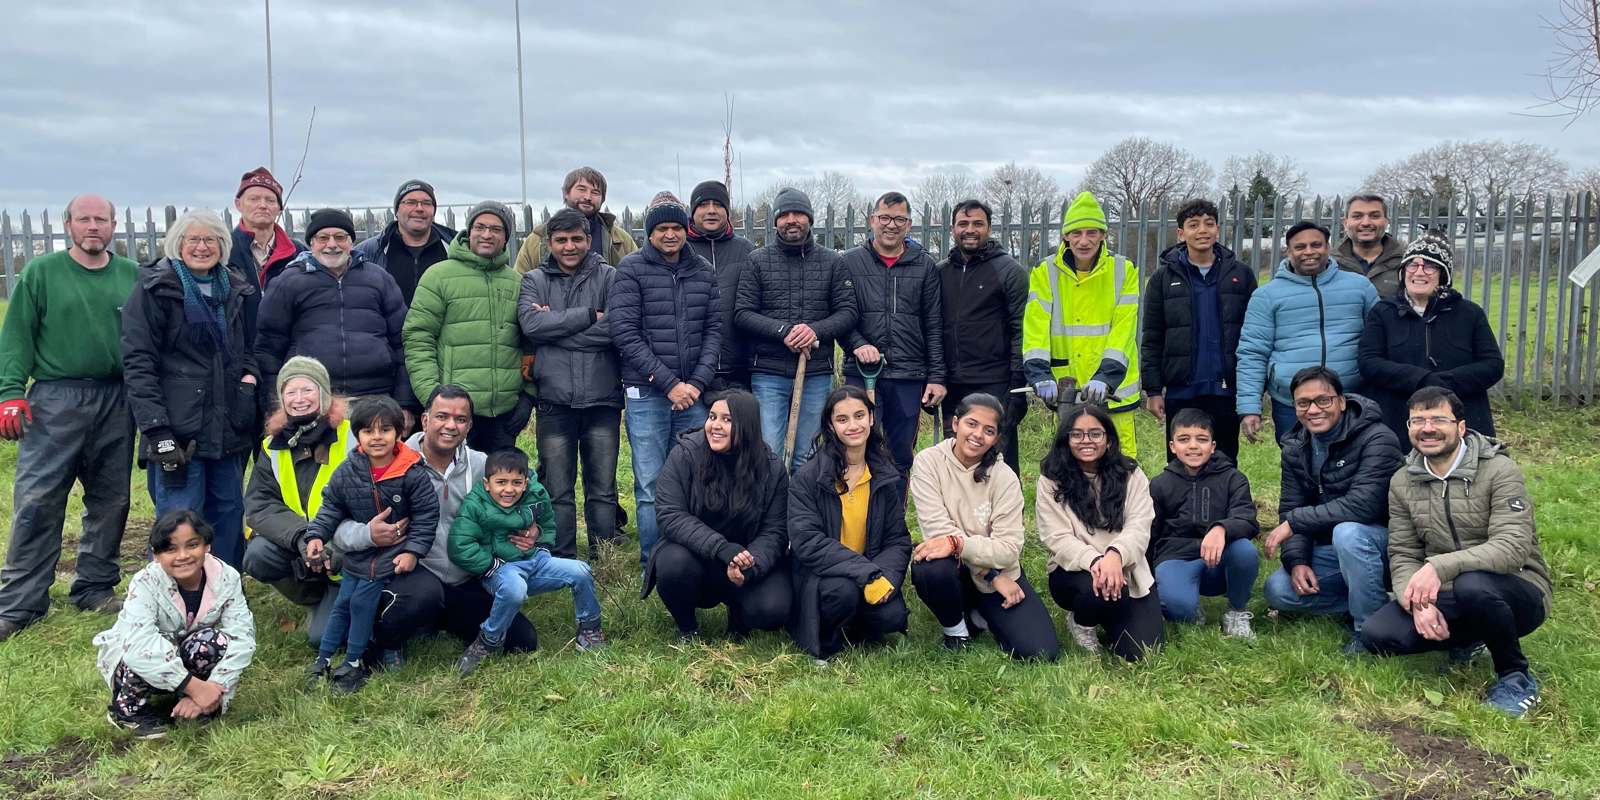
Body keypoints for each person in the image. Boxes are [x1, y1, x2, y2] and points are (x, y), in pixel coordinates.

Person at [1362, 387, 1552, 718]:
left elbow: (1513, 547)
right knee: (1378, 635)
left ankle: (1516, 678)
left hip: (1517, 587)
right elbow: (1403, 552)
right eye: (1418, 421)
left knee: (1473, 585)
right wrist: (1416, 604)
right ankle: (1470, 640)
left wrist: (1439, 567)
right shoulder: (1402, 480)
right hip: (1448, 591)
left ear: (1461, 427)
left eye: (1438, 419)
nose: (1427, 429)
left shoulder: (1499, 470)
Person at [0, 194, 139, 641]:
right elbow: (17, 335)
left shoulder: (132, 276)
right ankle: (21, 602)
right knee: (38, 499)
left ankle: (94, 586)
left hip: (116, 397)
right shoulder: (42, 273)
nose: (93, 226)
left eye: (101, 219)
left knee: (111, 499)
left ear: (113, 226)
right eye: (84, 219)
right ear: (69, 225)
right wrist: (10, 393)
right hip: (55, 397)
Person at [122, 209, 260, 569]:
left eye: (210, 239)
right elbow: (139, 363)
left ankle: (225, 590)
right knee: (179, 520)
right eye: (193, 239)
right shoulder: (156, 289)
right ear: (178, 244)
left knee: (228, 513)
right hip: (178, 430)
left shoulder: (234, 289)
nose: (202, 247)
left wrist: (248, 381)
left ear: (222, 245)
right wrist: (157, 430)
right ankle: (174, 593)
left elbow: (247, 348)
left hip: (226, 427)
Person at [369, 385, 542, 659]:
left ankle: (438, 620)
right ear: (425, 419)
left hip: (465, 576)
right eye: (442, 416)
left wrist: (534, 526)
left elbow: (530, 488)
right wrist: (368, 533)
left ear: (469, 426)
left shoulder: (481, 464)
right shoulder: (392, 462)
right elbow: (342, 512)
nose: (451, 425)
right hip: (413, 571)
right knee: (421, 598)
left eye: (460, 419)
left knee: (522, 640)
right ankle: (388, 643)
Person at [609, 191, 722, 570]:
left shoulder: (703, 271)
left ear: (686, 230)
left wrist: (698, 384)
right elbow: (625, 333)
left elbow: (713, 331)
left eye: (676, 227)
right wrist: (669, 383)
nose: (670, 235)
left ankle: (693, 558)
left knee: (697, 479)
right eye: (662, 229)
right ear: (650, 233)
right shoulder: (631, 269)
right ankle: (653, 563)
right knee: (650, 484)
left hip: (693, 395)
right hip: (647, 394)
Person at [303, 396, 438, 694]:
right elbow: (331, 507)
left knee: (361, 604)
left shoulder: (412, 471)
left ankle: (354, 662)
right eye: (368, 431)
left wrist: (412, 551)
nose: (377, 437)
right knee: (342, 605)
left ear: (399, 432)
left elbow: (427, 516)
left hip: (390, 556)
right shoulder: (348, 470)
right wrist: (316, 535)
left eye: (385, 430)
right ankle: (323, 660)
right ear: (358, 435)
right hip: (358, 555)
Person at [1261, 367, 1402, 653]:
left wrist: (1295, 523)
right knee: (1279, 590)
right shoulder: (1295, 445)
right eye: (1303, 403)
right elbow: (1292, 506)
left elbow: (1363, 505)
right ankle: (1377, 603)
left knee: (1348, 533)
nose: (1313, 410)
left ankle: (1370, 631)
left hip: (1388, 548)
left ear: (1342, 401)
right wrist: (1297, 560)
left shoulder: (1377, 438)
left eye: (1323, 400)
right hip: (1334, 549)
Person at [909, 393, 1059, 660]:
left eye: (989, 431)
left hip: (999, 570)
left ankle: (978, 616)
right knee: (930, 568)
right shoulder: (928, 462)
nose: (978, 435)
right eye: (971, 424)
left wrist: (965, 549)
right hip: (958, 569)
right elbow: (937, 532)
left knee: (1040, 652)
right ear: (955, 423)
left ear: (996, 438)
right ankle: (956, 631)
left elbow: (1009, 549)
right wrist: (990, 575)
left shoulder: (1004, 477)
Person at [644, 390, 793, 642]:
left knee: (774, 608)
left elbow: (775, 530)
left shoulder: (772, 468)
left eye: (727, 420)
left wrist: (751, 565)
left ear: (747, 426)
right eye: (712, 417)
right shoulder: (685, 455)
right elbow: (670, 514)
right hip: (698, 557)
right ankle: (687, 629)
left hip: (746, 559)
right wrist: (721, 548)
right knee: (672, 564)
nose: (715, 426)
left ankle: (739, 622)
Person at [518, 208, 623, 560]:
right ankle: (562, 556)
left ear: (589, 240)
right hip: (554, 398)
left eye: (576, 238)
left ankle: (604, 555)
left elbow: (616, 329)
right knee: (558, 487)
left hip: (602, 397)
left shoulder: (610, 277)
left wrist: (556, 331)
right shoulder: (533, 280)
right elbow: (532, 326)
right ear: (549, 243)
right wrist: (588, 315)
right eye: (561, 240)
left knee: (603, 487)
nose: (569, 246)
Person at [94, 510, 256, 739]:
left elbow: (242, 637)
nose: (183, 556)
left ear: (207, 546)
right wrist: (194, 687)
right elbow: (138, 645)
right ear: (156, 555)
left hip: (185, 656)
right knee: (138, 648)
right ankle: (127, 710)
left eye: (192, 545)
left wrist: (215, 688)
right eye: (170, 549)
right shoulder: (145, 582)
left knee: (213, 642)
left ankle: (197, 704)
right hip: (137, 660)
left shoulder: (226, 577)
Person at [451, 449, 604, 676]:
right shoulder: (475, 505)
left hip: (534, 560)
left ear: (525, 483)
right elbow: (460, 545)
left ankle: (590, 628)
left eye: (516, 482)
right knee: (515, 590)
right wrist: (490, 565)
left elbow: (548, 522)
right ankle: (488, 641)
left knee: (581, 570)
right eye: (501, 482)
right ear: (486, 483)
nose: (509, 489)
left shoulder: (536, 494)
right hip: (501, 569)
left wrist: (540, 540)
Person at [787, 385, 912, 662]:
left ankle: (854, 623)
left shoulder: (883, 473)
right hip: (823, 574)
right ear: (830, 426)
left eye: (859, 416)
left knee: (892, 617)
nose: (853, 426)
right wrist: (868, 574)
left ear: (871, 418)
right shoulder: (808, 477)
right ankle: (827, 639)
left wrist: (886, 578)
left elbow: (897, 539)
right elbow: (808, 542)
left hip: (870, 568)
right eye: (842, 419)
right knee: (843, 593)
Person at [736, 186, 857, 471]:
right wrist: (784, 332)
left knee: (808, 455)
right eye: (784, 215)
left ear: (809, 219)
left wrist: (814, 331)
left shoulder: (832, 262)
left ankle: (802, 501)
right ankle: (774, 501)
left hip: (815, 373)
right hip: (768, 373)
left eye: (798, 214)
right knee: (769, 453)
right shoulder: (758, 260)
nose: (791, 220)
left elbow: (847, 312)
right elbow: (742, 313)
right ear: (776, 221)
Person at [242, 357, 356, 647]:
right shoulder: (272, 445)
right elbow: (260, 504)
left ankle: (341, 599)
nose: (299, 399)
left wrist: (333, 546)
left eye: (307, 390)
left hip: (345, 551)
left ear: (324, 393)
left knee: (323, 640)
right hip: (299, 545)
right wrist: (304, 538)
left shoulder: (353, 436)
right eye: (290, 392)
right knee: (257, 555)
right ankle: (315, 599)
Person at [403, 200, 534, 453]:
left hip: (502, 415)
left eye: (496, 229)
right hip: (452, 413)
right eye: (480, 227)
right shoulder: (439, 276)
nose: (487, 234)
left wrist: (527, 396)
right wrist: (433, 396)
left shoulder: (517, 282)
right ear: (469, 231)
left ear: (506, 237)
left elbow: (530, 343)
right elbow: (418, 337)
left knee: (498, 478)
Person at [1035, 403, 1162, 661]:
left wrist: (1115, 555)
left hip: (1127, 568)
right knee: (1099, 591)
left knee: (1141, 651)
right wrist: (1096, 562)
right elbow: (1056, 537)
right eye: (1077, 434)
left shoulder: (1131, 474)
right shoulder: (1051, 479)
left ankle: (1112, 613)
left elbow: (1140, 525)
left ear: (1108, 439)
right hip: (1076, 571)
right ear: (1066, 439)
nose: (1086, 440)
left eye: (1095, 433)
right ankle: (1083, 622)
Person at [256, 208, 414, 415]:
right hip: (313, 403)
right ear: (311, 243)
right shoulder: (287, 283)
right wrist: (275, 408)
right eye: (323, 238)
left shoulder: (379, 279)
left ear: (351, 242)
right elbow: (268, 350)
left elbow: (403, 343)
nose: (332, 244)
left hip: (376, 400)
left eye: (340, 237)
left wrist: (404, 404)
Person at [1236, 221, 1379, 445]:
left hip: (1351, 397)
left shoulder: (1360, 287)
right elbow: (1253, 352)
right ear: (1288, 251)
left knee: (1356, 460)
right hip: (1292, 403)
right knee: (1298, 461)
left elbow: (1379, 340)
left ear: (1328, 247)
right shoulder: (1267, 296)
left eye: (1316, 245)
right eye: (1300, 247)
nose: (1309, 251)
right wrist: (1249, 407)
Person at [1023, 191, 1142, 457]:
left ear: (1103, 235)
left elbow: (1124, 328)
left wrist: (1106, 377)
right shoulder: (1045, 271)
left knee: (1121, 460)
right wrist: (1039, 373)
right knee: (1071, 460)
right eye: (1076, 233)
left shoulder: (1123, 270)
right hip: (1068, 388)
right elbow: (1035, 326)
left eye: (1092, 232)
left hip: (1114, 391)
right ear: (1065, 235)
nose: (1084, 240)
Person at [1140, 198, 1256, 463]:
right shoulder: (1162, 279)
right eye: (1194, 225)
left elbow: (1254, 335)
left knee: (1224, 462)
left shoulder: (1241, 275)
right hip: (1181, 391)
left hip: (1226, 390)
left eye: (1209, 224)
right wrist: (1154, 390)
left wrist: (1251, 390)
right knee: (1182, 463)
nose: (1202, 230)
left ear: (1218, 230)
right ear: (1181, 234)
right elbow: (1152, 337)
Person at [1359, 232, 1503, 442]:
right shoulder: (1383, 312)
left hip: (1462, 415)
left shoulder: (1470, 313)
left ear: (1443, 274)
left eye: (1429, 266)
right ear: (1403, 271)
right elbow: (1369, 362)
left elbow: (1492, 365)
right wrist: (1421, 379)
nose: (1419, 272)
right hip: (1397, 418)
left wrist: (1446, 382)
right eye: (1412, 265)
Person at [841, 191, 946, 474]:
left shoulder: (925, 266)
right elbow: (840, 316)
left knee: (900, 455)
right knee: (858, 450)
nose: (891, 225)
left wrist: (936, 377)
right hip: (862, 373)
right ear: (872, 220)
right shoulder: (850, 263)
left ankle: (894, 505)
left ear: (909, 224)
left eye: (899, 219)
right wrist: (857, 344)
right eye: (885, 218)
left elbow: (934, 324)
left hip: (908, 376)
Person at [1147, 407, 1260, 637]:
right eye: (1184, 439)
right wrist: (1147, 580)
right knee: (1177, 606)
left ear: (1213, 446)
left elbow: (1246, 518)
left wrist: (1221, 528)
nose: (1193, 446)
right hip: (1177, 556)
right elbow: (1150, 533)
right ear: (1172, 446)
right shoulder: (1159, 484)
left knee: (1245, 551)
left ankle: (1236, 611)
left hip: (1219, 558)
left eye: (1201, 439)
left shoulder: (1233, 478)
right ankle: (1186, 608)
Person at [937, 200, 1029, 475]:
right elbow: (931, 327)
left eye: (978, 223)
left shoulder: (1009, 271)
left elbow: (1021, 330)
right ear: (952, 229)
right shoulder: (940, 272)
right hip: (952, 384)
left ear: (989, 228)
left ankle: (1004, 505)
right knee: (955, 460)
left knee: (997, 461)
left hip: (995, 382)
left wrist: (1017, 385)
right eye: (963, 224)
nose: (970, 230)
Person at [686, 180, 757, 391]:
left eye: (718, 204)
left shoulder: (746, 250)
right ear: (693, 211)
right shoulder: (680, 250)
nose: (711, 211)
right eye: (703, 205)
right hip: (691, 367)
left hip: (739, 365)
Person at [513, 166, 637, 273]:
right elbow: (521, 283)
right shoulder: (537, 239)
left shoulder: (621, 240)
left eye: (595, 192)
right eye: (581, 189)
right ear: (566, 193)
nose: (588, 197)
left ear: (602, 199)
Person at [353, 179, 455, 305]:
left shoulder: (454, 249)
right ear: (396, 210)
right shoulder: (368, 252)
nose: (419, 208)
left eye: (427, 203)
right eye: (411, 202)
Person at [229, 167, 306, 292]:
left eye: (270, 200)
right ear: (238, 204)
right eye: (254, 199)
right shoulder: (224, 250)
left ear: (280, 208)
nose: (263, 205)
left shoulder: (298, 253)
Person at [1333, 194, 1406, 299]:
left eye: (1374, 216)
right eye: (1357, 216)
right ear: (1345, 223)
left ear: (1386, 222)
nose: (1366, 223)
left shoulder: (1406, 263)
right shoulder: (1329, 264)